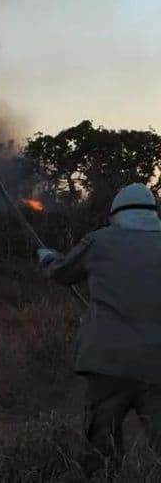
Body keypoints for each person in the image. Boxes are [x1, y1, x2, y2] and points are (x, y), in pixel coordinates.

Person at [38, 183, 161, 476]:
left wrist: (47, 258)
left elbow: (62, 273)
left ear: (116, 213)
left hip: (108, 364)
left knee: (101, 451)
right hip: (157, 365)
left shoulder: (99, 241)